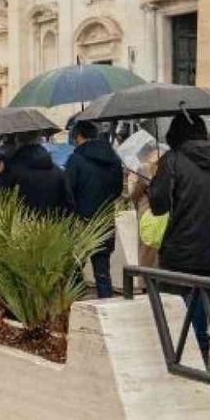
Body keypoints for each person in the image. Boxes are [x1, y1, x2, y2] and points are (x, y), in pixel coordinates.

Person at [148, 114, 210, 413]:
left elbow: (158, 207)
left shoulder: (173, 161)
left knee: (172, 319)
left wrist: (156, 178)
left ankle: (176, 381)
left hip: (179, 255)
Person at [64, 121, 125, 297]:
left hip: (80, 221)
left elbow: (68, 191)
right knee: (102, 271)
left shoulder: (76, 159)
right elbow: (118, 190)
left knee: (75, 269)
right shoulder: (113, 159)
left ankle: (76, 308)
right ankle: (106, 305)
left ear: (78, 137)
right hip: (105, 220)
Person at [0, 131, 72, 217]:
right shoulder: (58, 172)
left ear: (17, 141)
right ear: (39, 139)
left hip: (20, 225)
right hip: (52, 225)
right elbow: (68, 203)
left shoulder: (11, 172)